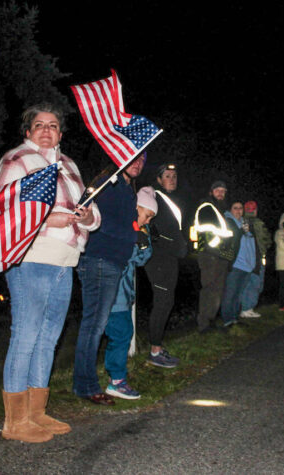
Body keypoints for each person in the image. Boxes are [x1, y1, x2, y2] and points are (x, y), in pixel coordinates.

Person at [0, 103, 100, 443]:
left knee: (48, 338)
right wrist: (43, 220)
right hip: (32, 257)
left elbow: (93, 214)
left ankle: (36, 412)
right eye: (38, 125)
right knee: (26, 334)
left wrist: (84, 217)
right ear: (27, 131)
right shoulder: (17, 160)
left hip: (66, 260)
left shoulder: (68, 165)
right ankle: (15, 421)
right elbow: (2, 206)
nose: (45, 130)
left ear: (60, 133)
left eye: (52, 125)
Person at [73, 153, 145, 405]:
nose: (138, 163)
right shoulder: (107, 182)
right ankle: (86, 385)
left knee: (97, 324)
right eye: (133, 158)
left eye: (142, 160)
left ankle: (86, 382)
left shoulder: (126, 189)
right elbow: (85, 212)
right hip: (99, 260)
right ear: (119, 157)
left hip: (113, 262)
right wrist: (128, 234)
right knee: (94, 325)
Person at [104, 187, 156, 399]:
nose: (148, 221)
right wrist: (134, 242)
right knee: (122, 334)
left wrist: (144, 242)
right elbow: (122, 254)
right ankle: (116, 380)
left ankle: (115, 378)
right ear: (136, 208)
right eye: (147, 215)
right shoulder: (119, 226)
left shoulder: (139, 229)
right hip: (113, 294)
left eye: (151, 218)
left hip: (123, 294)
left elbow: (141, 260)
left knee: (122, 333)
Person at [145, 163, 187, 368]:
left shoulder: (172, 200)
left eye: (174, 176)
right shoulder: (153, 196)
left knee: (167, 302)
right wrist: (172, 244)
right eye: (167, 176)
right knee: (162, 302)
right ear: (159, 179)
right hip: (159, 259)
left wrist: (181, 246)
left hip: (170, 259)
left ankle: (158, 347)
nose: (172, 179)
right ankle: (154, 352)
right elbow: (152, 228)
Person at [194, 181, 238, 333]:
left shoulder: (221, 211)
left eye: (223, 191)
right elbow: (209, 234)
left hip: (219, 256)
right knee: (209, 289)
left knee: (217, 290)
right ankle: (204, 324)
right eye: (217, 190)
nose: (221, 193)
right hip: (209, 255)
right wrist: (226, 244)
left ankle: (210, 321)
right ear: (211, 192)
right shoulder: (207, 208)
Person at [221, 201, 256, 326]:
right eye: (235, 208)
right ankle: (227, 320)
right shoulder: (227, 221)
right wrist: (241, 230)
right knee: (230, 293)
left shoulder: (245, 223)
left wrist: (253, 263)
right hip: (235, 264)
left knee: (239, 294)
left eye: (240, 208)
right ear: (230, 210)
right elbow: (232, 238)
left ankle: (235, 318)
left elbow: (252, 244)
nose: (238, 210)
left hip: (247, 266)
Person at [239, 200, 272, 318]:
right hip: (256, 258)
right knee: (255, 283)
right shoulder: (259, 223)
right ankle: (247, 309)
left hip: (247, 259)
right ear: (256, 210)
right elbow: (266, 240)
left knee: (249, 283)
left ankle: (247, 308)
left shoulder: (242, 222)